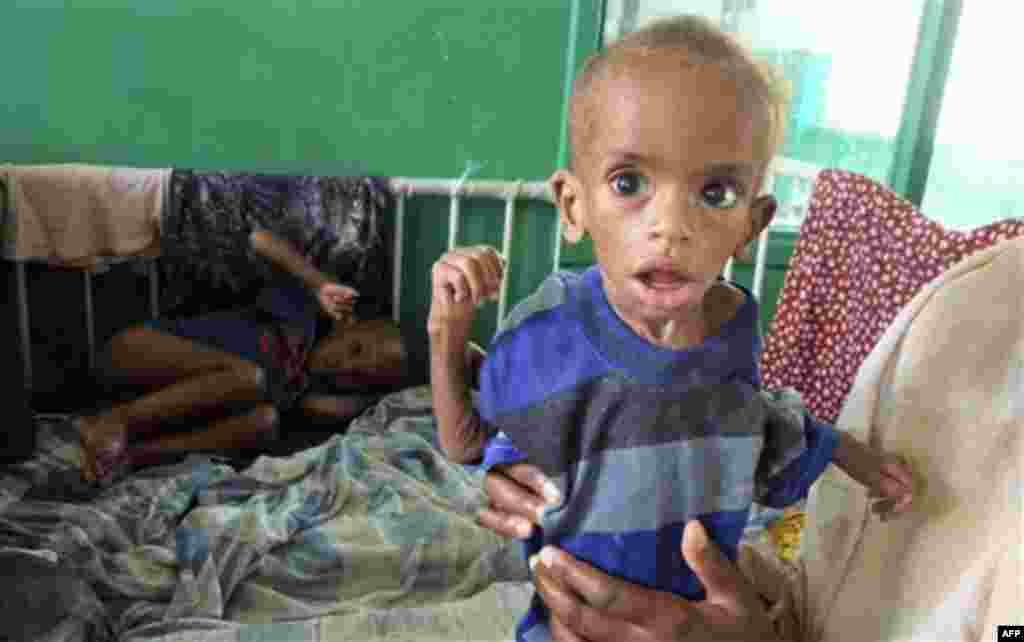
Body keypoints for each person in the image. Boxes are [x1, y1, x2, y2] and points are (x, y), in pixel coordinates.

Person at [428, 15, 915, 642]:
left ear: (751, 224)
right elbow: (468, 441)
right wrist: (452, 336)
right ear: (574, 207)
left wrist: (851, 455)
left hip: (706, 614)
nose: (670, 225)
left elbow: (746, 419)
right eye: (630, 183)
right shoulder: (551, 334)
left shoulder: (734, 327)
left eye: (714, 192)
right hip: (574, 618)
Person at [74, 228, 403, 483]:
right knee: (249, 378)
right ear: (347, 326)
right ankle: (116, 422)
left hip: (160, 408)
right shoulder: (298, 316)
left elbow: (345, 409)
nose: (344, 365)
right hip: (134, 354)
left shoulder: (301, 390)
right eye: (355, 349)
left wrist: (366, 393)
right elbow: (258, 239)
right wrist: (318, 283)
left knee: (265, 422)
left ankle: (133, 456)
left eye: (356, 375)